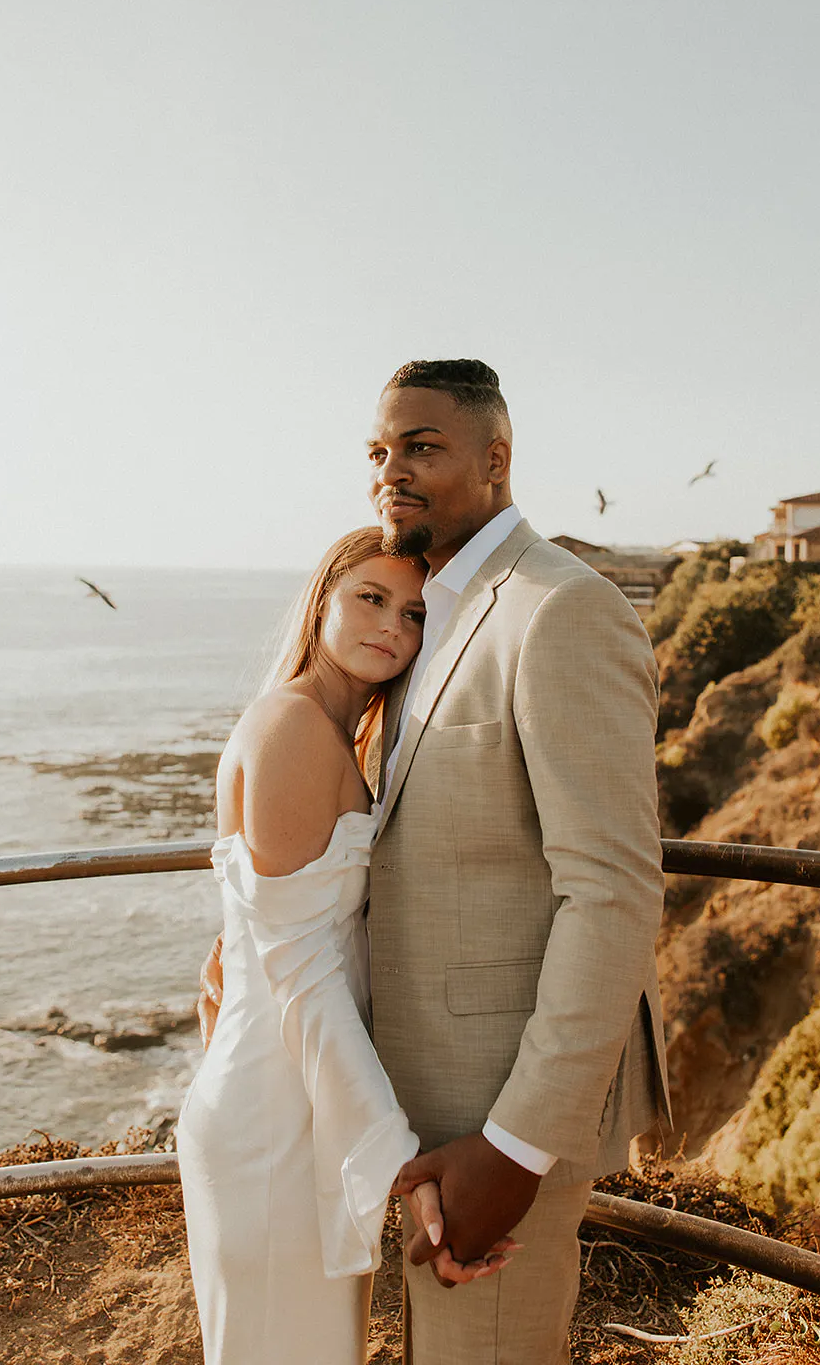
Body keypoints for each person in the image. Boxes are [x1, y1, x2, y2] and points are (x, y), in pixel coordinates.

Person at [201, 358, 672, 1365]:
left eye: (421, 445)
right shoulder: (439, 611)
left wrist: (515, 1147)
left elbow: (612, 894)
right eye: (377, 450)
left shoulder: (557, 608)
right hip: (394, 1111)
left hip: (493, 1118)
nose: (390, 470)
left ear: (495, 459)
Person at [177, 527, 515, 1365]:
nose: (392, 628)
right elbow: (304, 974)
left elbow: (256, 938)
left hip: (299, 1096)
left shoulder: (323, 730)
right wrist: (399, 1159)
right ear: (321, 597)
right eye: (369, 598)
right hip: (272, 1117)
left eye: (412, 613)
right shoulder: (290, 729)